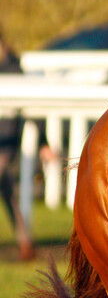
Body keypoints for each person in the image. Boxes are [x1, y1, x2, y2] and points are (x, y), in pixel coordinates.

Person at [0, 31, 54, 260]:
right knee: (7, 190)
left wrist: (43, 142)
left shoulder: (14, 69)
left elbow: (32, 106)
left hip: (6, 142)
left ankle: (25, 242)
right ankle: (25, 241)